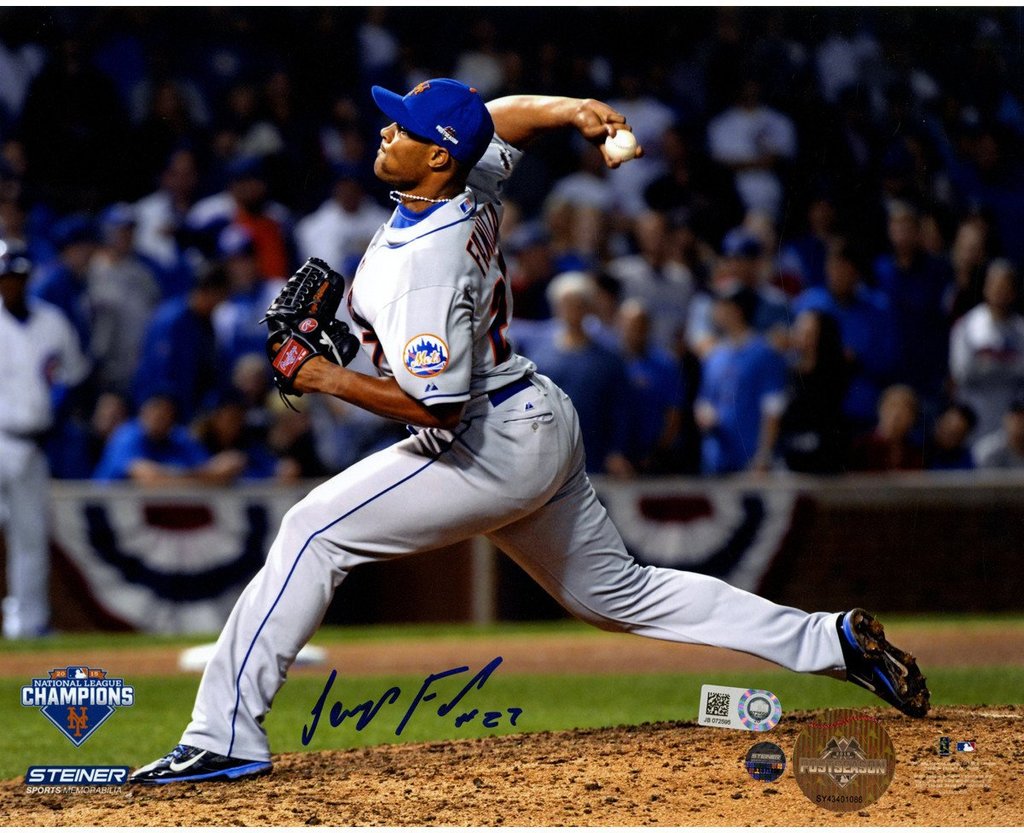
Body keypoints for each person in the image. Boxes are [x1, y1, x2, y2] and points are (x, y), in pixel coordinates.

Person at [130, 79, 929, 785]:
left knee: (312, 529)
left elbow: (437, 407)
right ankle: (833, 643)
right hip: (533, 413)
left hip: (485, 440)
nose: (385, 131)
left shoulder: (424, 265)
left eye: (404, 128)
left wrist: (321, 376)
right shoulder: (465, 180)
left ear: (437, 157)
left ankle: (221, 735)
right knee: (620, 593)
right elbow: (500, 119)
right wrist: (573, 110)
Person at [0, 242, 89, 638]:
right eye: (6, 278)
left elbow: (73, 374)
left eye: (17, 277)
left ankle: (29, 623)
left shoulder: (51, 321)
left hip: (35, 444)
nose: (11, 284)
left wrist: (59, 403)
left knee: (31, 537)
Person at [694, 283, 789, 474]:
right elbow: (704, 400)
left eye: (721, 305)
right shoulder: (715, 356)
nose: (715, 311)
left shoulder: (764, 354)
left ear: (736, 311)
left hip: (751, 462)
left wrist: (764, 456)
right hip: (716, 459)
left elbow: (773, 408)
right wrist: (704, 413)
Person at [948, 258, 1024, 444]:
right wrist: (1006, 364)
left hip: (1010, 413)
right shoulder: (967, 326)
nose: (999, 291)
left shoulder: (1021, 329)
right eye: (995, 285)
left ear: (1013, 291)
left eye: (1005, 286)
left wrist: (988, 363)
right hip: (975, 411)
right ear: (985, 288)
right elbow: (961, 372)